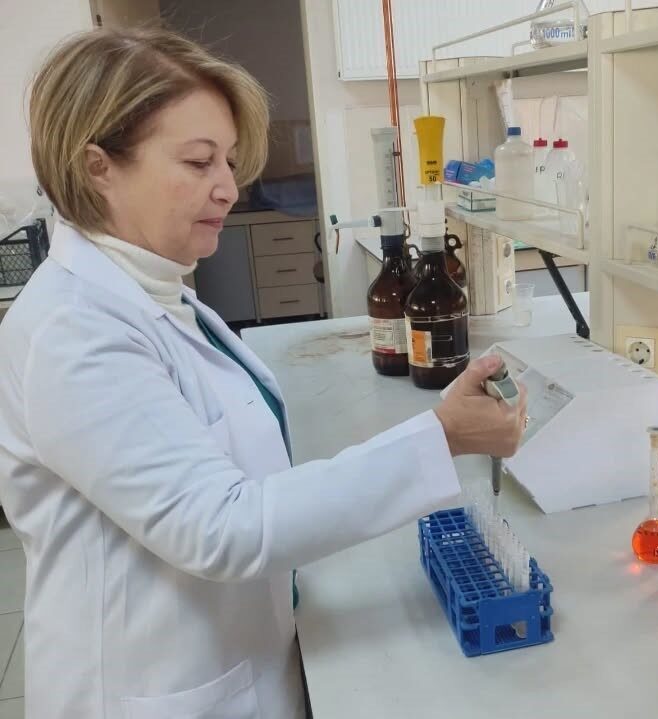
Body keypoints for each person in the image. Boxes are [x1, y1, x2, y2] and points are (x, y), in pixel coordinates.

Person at [0, 27, 527, 719]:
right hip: (152, 691)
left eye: (227, 160)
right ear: (98, 166)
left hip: (236, 651)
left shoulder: (154, 289)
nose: (227, 186)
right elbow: (220, 527)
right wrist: (441, 437)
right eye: (198, 161)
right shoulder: (72, 330)